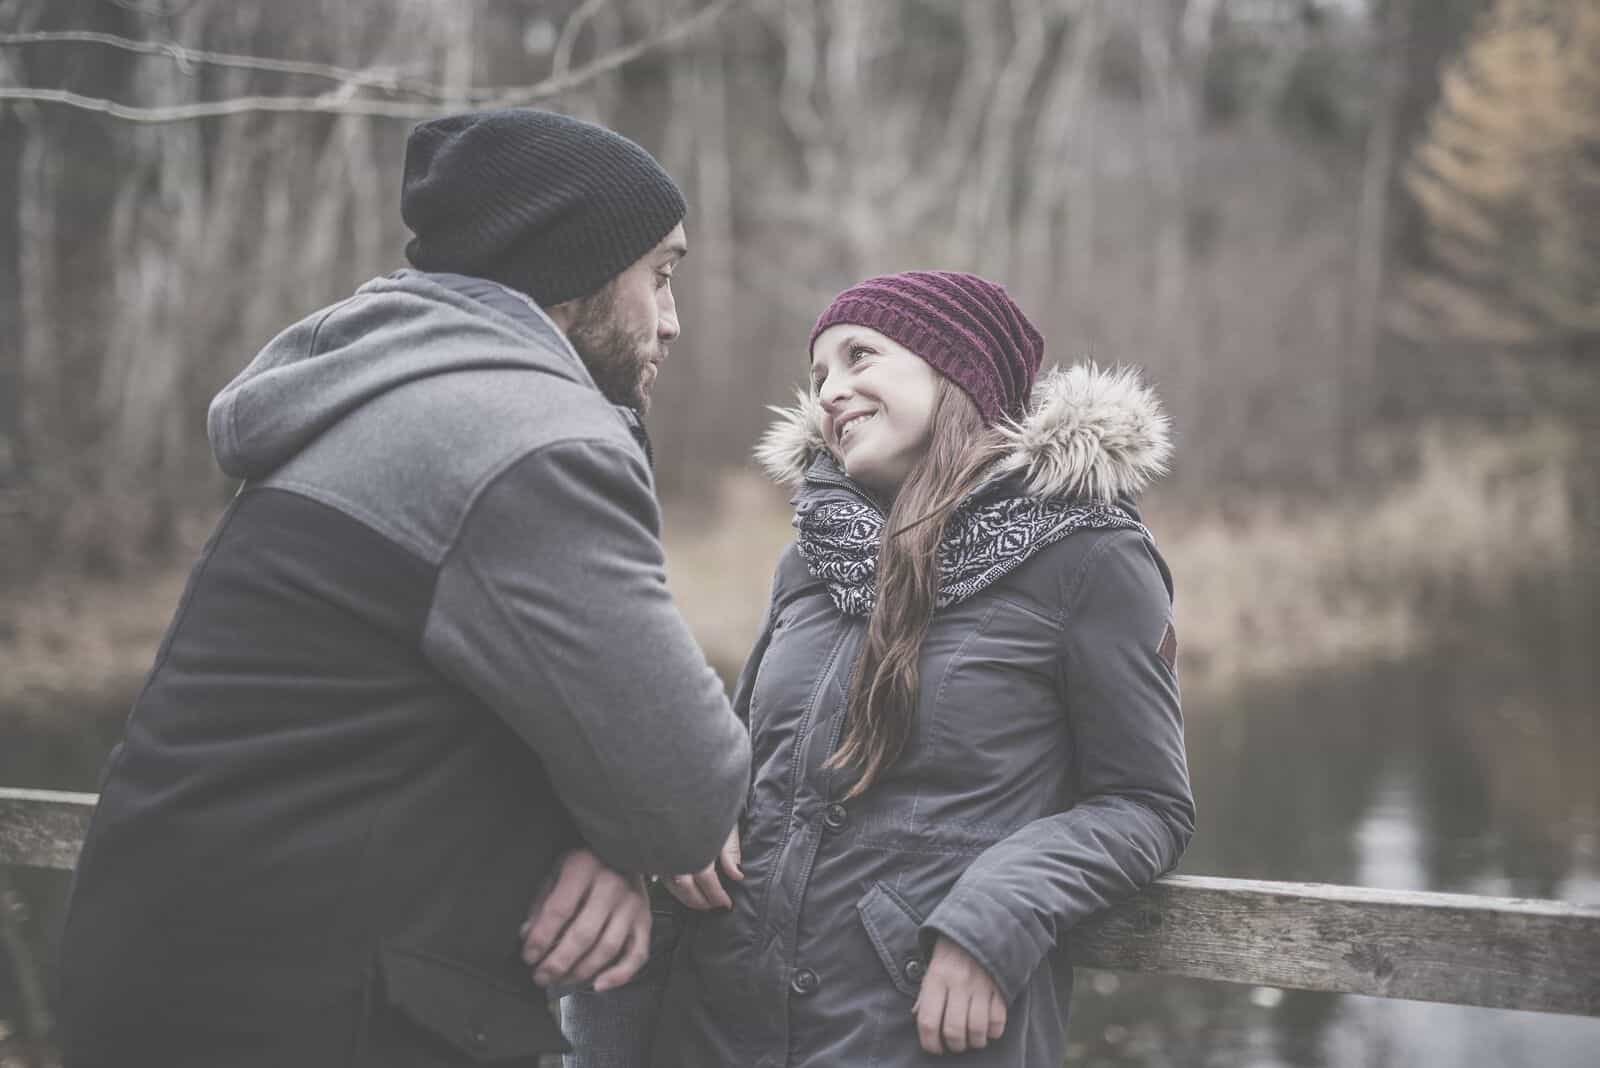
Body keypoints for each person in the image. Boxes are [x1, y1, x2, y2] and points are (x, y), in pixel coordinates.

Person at [55, 109, 750, 1068]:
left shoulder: (377, 387)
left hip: (164, 973)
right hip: (309, 1013)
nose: (671, 319)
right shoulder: (527, 437)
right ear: (574, 270)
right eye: (660, 276)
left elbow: (414, 710)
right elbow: (685, 786)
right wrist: (628, 828)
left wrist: (607, 833)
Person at [645, 271, 1195, 1066]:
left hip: (914, 1032)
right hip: (722, 1026)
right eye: (820, 375)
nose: (831, 391)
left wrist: (1000, 910)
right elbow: (744, 752)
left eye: (859, 356)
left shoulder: (1091, 559)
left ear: (958, 369)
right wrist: (700, 807)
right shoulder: (810, 556)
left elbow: (1147, 805)